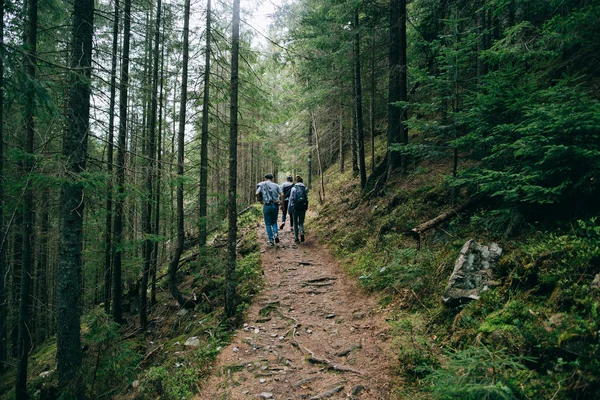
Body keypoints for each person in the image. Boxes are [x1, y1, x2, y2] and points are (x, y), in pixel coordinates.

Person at [256, 173, 283, 246]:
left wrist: (260, 200)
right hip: (275, 205)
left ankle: (271, 240)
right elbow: (282, 194)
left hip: (266, 205)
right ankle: (276, 235)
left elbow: (257, 193)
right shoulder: (276, 185)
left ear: (265, 178)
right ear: (272, 178)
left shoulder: (262, 184)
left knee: (268, 223)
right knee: (274, 222)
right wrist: (282, 204)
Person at [288, 175, 308, 243]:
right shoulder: (305, 188)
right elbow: (306, 198)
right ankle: (302, 232)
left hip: (295, 208)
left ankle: (296, 238)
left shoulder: (293, 188)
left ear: (296, 181)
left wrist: (289, 209)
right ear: (302, 181)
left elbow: (291, 199)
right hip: (303, 207)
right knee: (301, 222)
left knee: (295, 223)